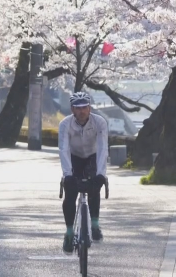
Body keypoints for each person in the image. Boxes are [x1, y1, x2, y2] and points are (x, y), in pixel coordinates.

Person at [58, 91, 108, 254]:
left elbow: (102, 148)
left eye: (85, 107)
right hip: (74, 157)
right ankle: (69, 232)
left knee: (95, 187)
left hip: (92, 157)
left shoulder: (99, 122)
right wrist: (67, 174)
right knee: (70, 192)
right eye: (78, 108)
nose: (82, 111)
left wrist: (101, 174)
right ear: (72, 109)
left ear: (89, 108)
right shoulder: (65, 124)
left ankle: (94, 224)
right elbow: (63, 149)